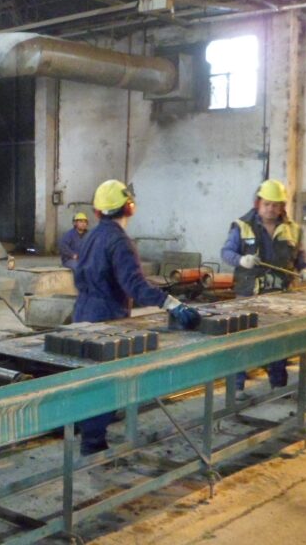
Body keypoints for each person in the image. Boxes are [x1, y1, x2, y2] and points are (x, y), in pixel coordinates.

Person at [73, 179, 201, 454]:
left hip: (82, 311)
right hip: (106, 317)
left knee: (89, 380)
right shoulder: (120, 241)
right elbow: (134, 285)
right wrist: (170, 303)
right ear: (129, 208)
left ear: (97, 212)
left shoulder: (90, 237)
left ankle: (89, 436)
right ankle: (93, 445)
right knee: (107, 383)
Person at [221, 178, 306, 392]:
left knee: (278, 342)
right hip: (248, 295)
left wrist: (305, 268)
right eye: (267, 204)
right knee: (243, 342)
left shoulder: (293, 229)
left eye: (276, 205)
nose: (271, 209)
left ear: (282, 206)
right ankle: (237, 389)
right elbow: (226, 252)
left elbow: (300, 254)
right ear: (258, 203)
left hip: (280, 296)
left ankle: (278, 386)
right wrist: (241, 260)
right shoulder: (242, 226)